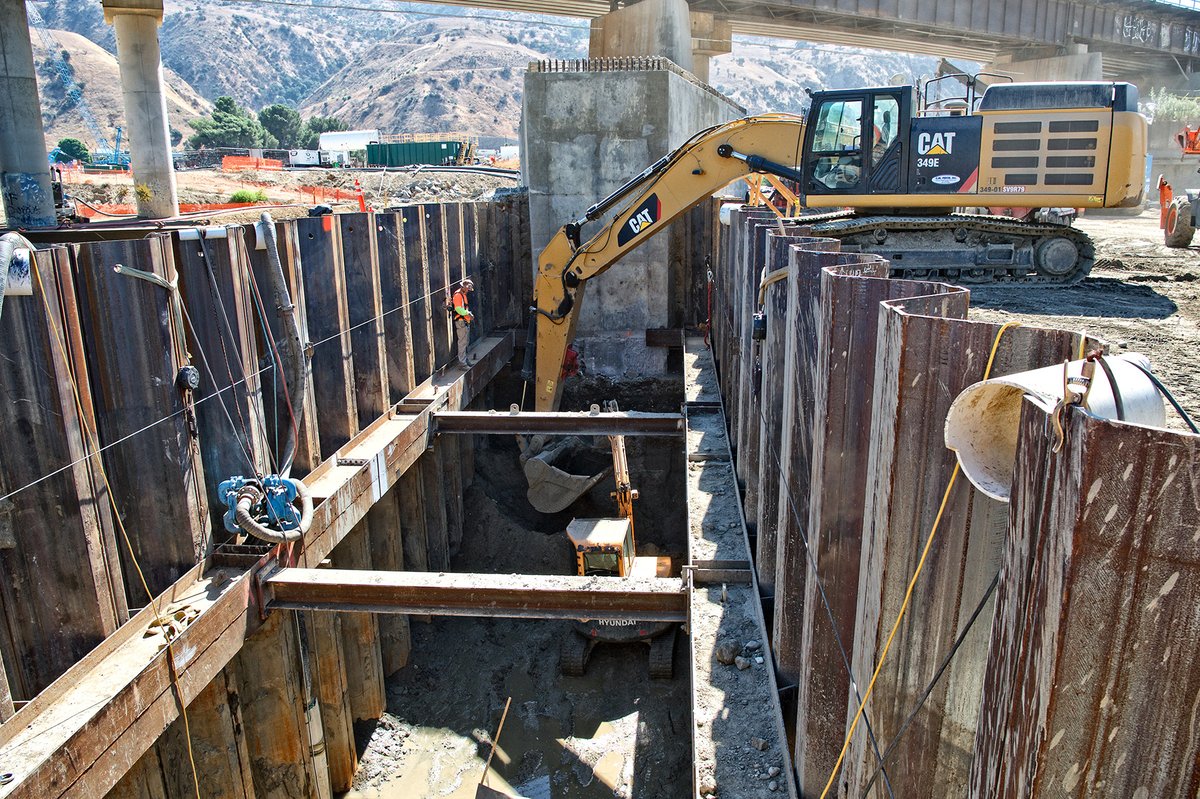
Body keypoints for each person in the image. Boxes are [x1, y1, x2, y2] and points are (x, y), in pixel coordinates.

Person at [450, 278, 475, 365]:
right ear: (463, 287)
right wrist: (468, 313)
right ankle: (462, 363)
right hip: (461, 322)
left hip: (464, 321)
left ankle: (464, 359)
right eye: (467, 289)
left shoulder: (463, 294)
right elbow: (458, 309)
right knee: (462, 342)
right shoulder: (458, 295)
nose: (468, 291)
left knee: (465, 342)